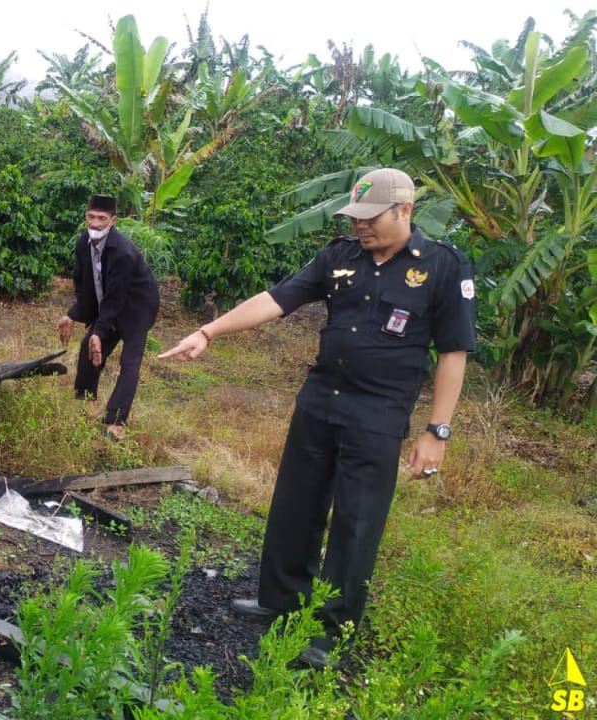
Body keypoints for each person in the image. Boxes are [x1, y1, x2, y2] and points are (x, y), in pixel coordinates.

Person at [158, 168, 476, 669]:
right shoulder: (339, 256)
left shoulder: (441, 266)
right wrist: (208, 332)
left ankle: (330, 631)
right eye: (356, 218)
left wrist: (437, 431)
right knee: (295, 505)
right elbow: (277, 299)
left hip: (378, 414)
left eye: (371, 219)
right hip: (320, 401)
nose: (361, 227)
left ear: (405, 211)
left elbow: (454, 352)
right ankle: (281, 600)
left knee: (356, 523)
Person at [56, 194, 160, 439]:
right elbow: (84, 285)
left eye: (102, 219)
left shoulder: (123, 252)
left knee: (129, 363)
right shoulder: (83, 242)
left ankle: (116, 422)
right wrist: (73, 316)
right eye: (91, 217)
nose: (95, 223)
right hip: (110, 302)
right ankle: (86, 400)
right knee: (87, 347)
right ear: (85, 217)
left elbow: (116, 297)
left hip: (137, 307)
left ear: (113, 221)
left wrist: (99, 332)